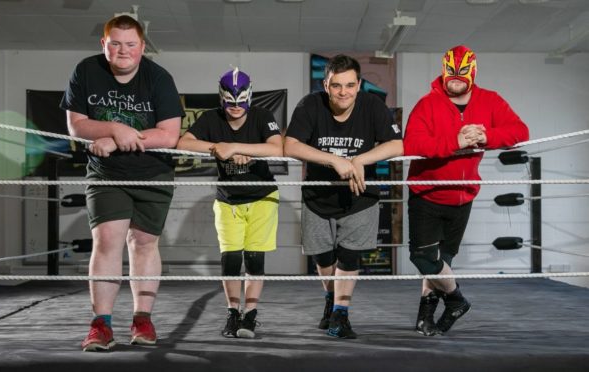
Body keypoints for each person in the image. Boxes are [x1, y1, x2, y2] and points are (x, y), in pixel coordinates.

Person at [60, 15, 184, 351]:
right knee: (106, 241)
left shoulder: (159, 78)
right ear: (104, 44)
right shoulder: (86, 71)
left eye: (130, 44)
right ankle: (101, 325)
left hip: (153, 172)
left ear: (143, 48)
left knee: (143, 243)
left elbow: (170, 135)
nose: (123, 50)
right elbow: (77, 126)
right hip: (106, 174)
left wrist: (117, 139)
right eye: (115, 43)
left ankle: (142, 319)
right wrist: (114, 129)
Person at [403, 45, 529, 336]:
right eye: (451, 73)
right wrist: (456, 141)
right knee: (423, 258)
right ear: (444, 70)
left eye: (461, 73)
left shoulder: (490, 100)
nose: (455, 78)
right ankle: (456, 300)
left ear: (472, 71)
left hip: (463, 195)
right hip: (427, 192)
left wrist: (487, 136)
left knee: (443, 261)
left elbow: (520, 131)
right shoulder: (427, 104)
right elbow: (414, 144)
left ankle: (425, 318)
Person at [284, 55, 403, 339]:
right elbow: (290, 145)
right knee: (323, 256)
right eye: (336, 85)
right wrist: (333, 160)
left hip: (359, 193)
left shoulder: (372, 105)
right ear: (325, 84)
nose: (343, 92)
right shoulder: (310, 104)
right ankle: (331, 300)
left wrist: (359, 160)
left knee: (350, 255)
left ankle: (341, 313)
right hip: (318, 194)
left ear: (359, 84)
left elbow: (396, 144)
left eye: (350, 85)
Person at [177, 68, 282, 339]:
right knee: (231, 260)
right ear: (221, 97)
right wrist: (218, 146)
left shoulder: (262, 115)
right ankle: (233, 313)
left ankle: (251, 315)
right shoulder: (211, 117)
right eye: (230, 103)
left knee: (255, 259)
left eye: (241, 102)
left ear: (249, 97)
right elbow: (183, 143)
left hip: (262, 197)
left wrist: (240, 148)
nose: (236, 108)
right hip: (228, 200)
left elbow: (277, 147)